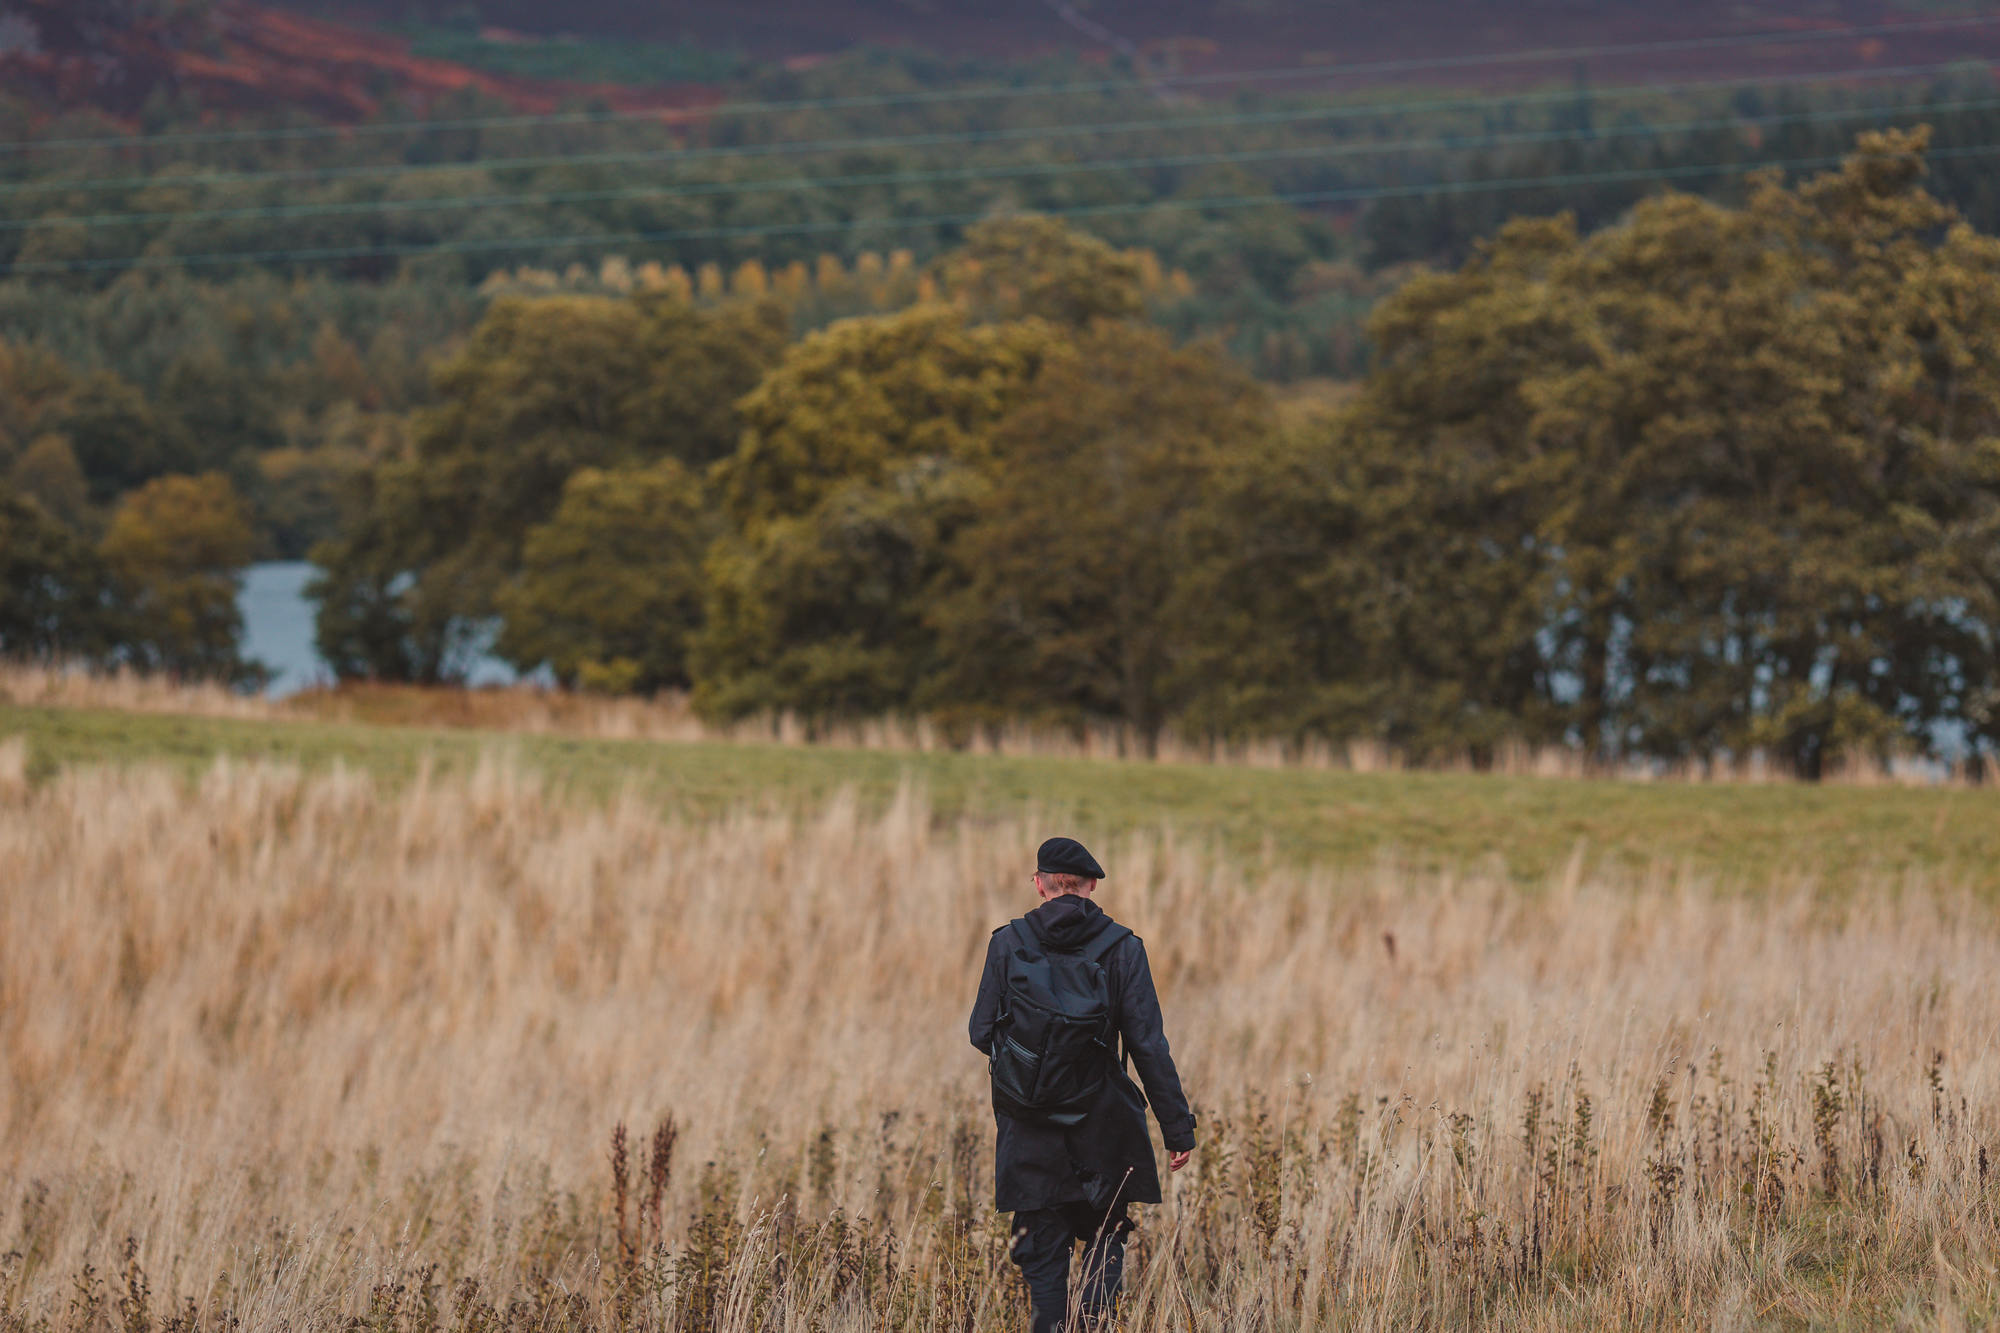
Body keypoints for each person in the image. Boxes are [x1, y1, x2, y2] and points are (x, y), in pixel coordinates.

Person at [969, 835, 1195, 1333]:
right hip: (1105, 1129)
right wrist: (1178, 1130)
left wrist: (1031, 1072)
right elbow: (1148, 1047)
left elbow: (980, 1031)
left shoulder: (1007, 943)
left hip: (1028, 1131)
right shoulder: (1123, 948)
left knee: (1044, 1264)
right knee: (1105, 1241)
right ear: (1092, 885)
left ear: (1039, 884)